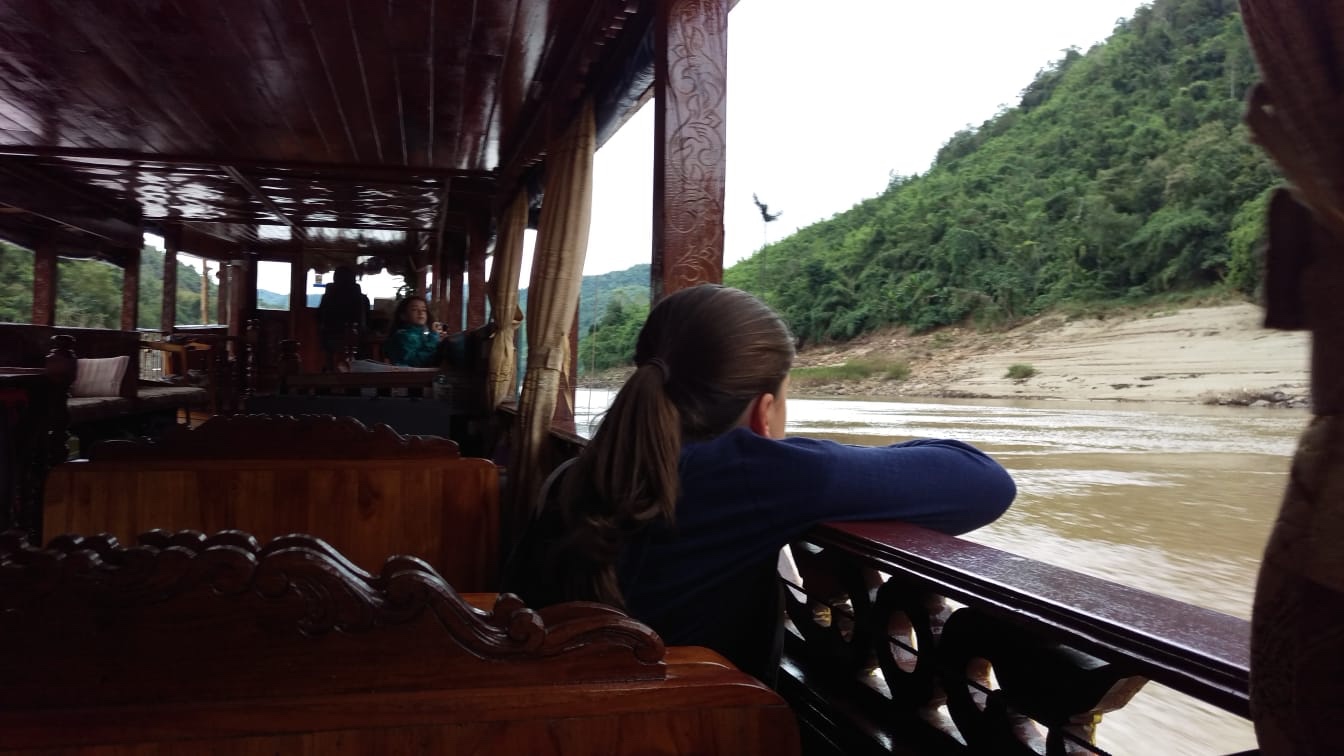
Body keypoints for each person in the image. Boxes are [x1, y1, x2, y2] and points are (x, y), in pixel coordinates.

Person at [504, 284, 1016, 678]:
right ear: (764, 411)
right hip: (697, 732)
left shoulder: (577, 473)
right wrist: (798, 455)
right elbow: (985, 482)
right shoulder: (751, 474)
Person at [316, 265, 370, 369]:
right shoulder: (363, 299)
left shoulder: (327, 297)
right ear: (353, 279)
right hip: (357, 341)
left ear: (335, 278)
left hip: (330, 339)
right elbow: (367, 321)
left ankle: (330, 371)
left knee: (331, 361)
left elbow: (319, 317)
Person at [383, 296, 445, 367]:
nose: (421, 312)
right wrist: (433, 339)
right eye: (414, 309)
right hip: (410, 373)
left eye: (424, 310)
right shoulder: (403, 336)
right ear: (403, 316)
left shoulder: (422, 334)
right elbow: (416, 363)